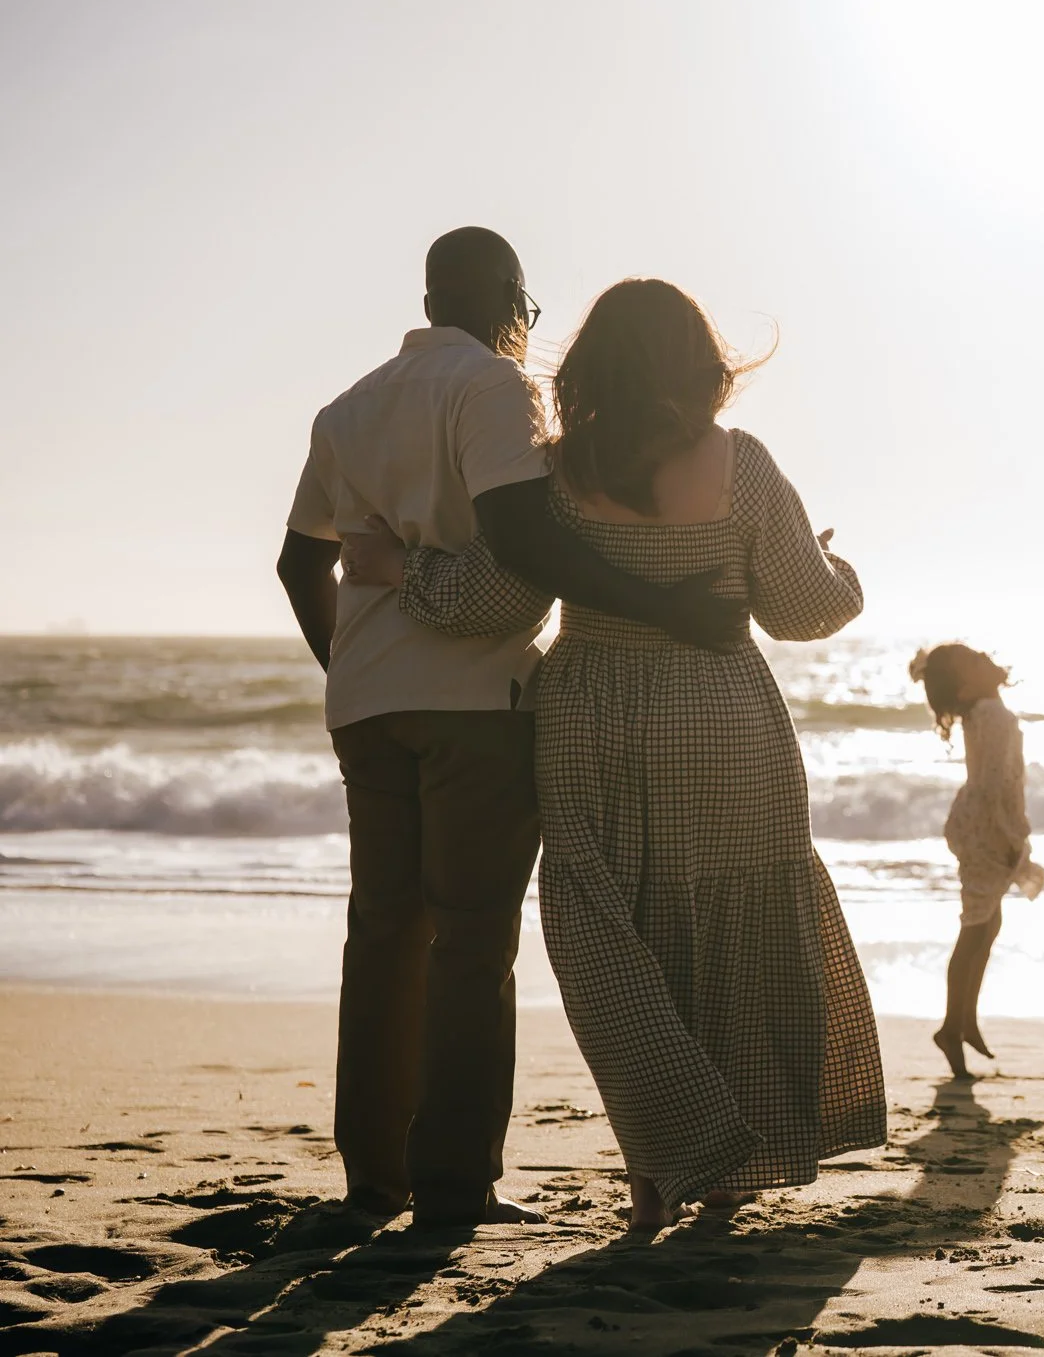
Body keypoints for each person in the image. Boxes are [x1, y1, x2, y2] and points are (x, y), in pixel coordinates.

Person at [341, 277, 886, 1231]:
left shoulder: (556, 474)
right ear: (701, 365)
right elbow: (805, 609)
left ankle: (659, 1167)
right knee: (732, 930)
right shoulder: (743, 464)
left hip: (590, 717)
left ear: (592, 366)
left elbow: (491, 602)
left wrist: (401, 567)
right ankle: (725, 1165)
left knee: (615, 945)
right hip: (723, 719)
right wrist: (837, 563)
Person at [277, 228, 738, 1229]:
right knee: (471, 943)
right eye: (526, 309)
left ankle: (373, 1178)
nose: (527, 327)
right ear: (501, 299)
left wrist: (350, 665)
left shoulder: (345, 408)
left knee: (383, 934)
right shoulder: (492, 386)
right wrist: (668, 606)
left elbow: (297, 562)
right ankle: (455, 1185)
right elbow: (527, 542)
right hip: (476, 704)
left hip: (368, 705)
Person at [908, 644, 1044, 1078]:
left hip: (981, 823)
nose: (984, 658)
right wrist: (1011, 836)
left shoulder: (985, 711)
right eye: (972, 661)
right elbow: (992, 785)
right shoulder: (991, 714)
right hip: (987, 828)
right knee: (975, 927)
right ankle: (952, 1027)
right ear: (965, 687)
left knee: (987, 923)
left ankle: (965, 1020)